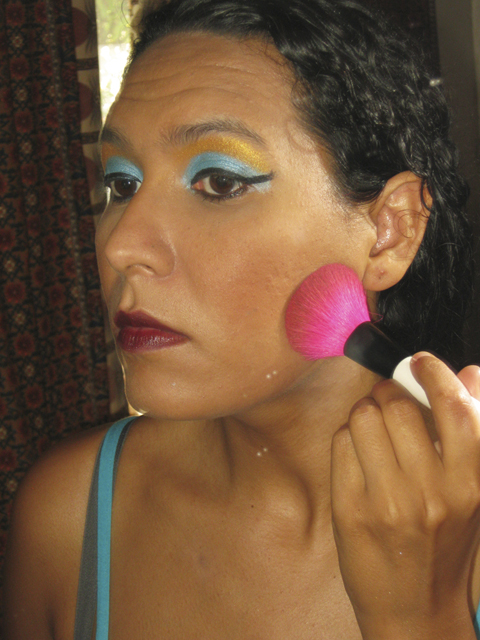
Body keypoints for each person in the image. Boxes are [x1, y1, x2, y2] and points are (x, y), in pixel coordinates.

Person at [4, 0, 480, 638]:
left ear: (388, 233)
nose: (120, 246)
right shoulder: (69, 516)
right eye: (121, 184)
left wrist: (420, 620)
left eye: (219, 182)